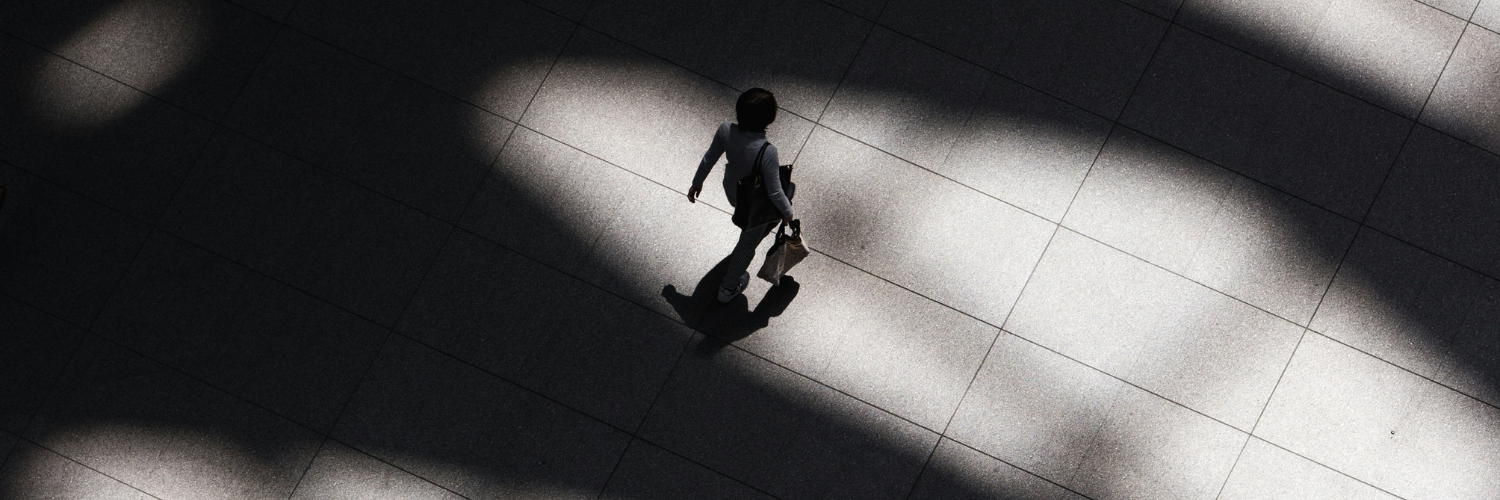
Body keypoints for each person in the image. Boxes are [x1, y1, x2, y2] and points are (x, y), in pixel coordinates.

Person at [688, 88, 793, 303]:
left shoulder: (725, 129)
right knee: (746, 246)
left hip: (734, 192)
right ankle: (727, 289)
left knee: (787, 191)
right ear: (770, 118)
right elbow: (774, 191)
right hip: (752, 206)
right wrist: (788, 213)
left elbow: (709, 159)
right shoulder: (767, 151)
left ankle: (762, 227)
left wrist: (696, 183)